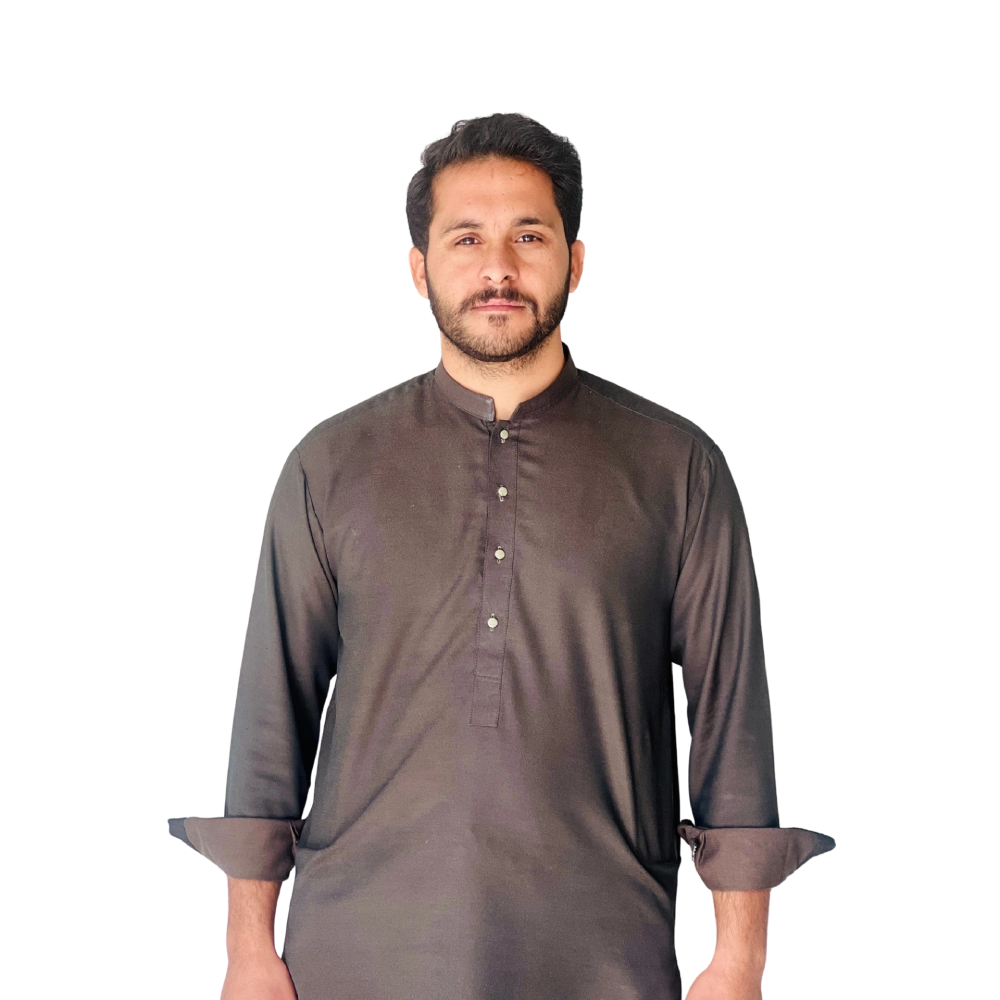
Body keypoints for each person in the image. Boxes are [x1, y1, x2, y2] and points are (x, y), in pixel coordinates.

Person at [167, 112, 835, 1000]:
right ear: (419, 268)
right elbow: (270, 719)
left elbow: (730, 724)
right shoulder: (331, 462)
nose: (498, 269)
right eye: (466, 239)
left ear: (577, 260)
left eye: (529, 236)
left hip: (605, 957)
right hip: (357, 956)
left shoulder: (675, 467)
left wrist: (740, 956)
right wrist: (248, 948)